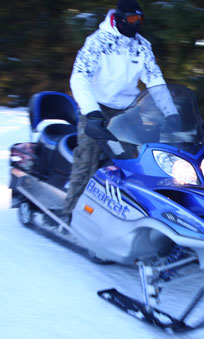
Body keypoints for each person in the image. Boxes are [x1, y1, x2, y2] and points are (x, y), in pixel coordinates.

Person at [62, 0, 174, 219]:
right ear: (120, 18)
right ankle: (70, 212)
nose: (136, 24)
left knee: (138, 162)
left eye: (140, 20)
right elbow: (80, 77)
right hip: (97, 109)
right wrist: (91, 111)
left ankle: (132, 214)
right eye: (132, 19)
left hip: (127, 111)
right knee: (88, 161)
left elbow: (154, 80)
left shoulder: (142, 45)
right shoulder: (98, 42)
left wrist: (171, 113)